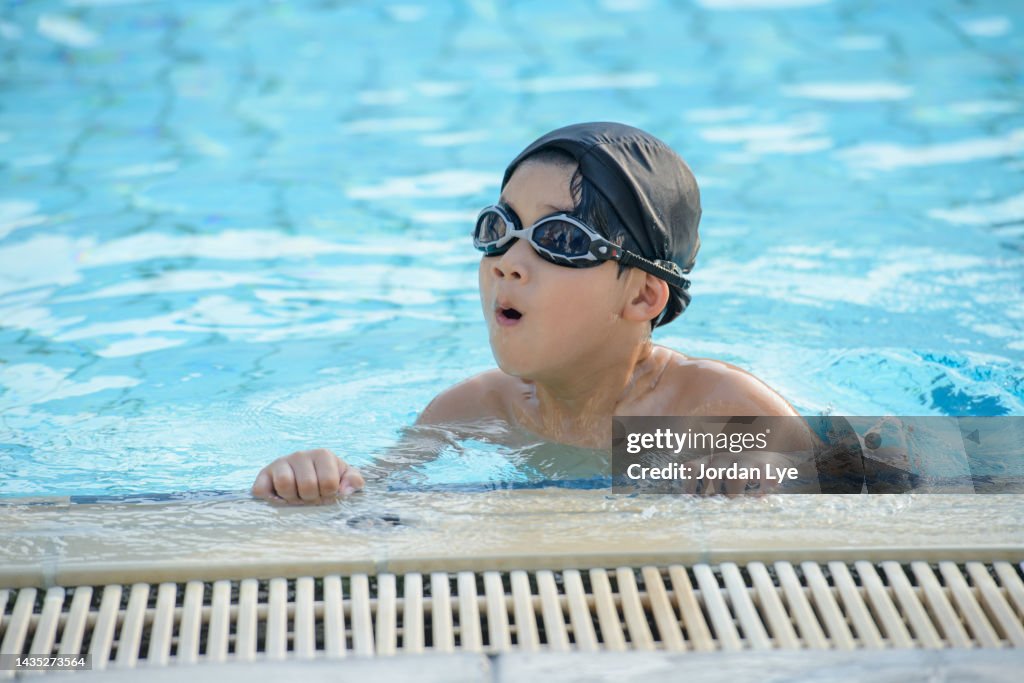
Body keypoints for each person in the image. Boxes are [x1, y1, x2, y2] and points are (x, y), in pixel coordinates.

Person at [251, 122, 813, 504]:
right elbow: (370, 497)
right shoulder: (480, 408)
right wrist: (310, 482)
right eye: (499, 230)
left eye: (561, 239)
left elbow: (858, 478)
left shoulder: (709, 405)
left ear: (642, 296)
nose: (508, 264)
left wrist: (773, 473)